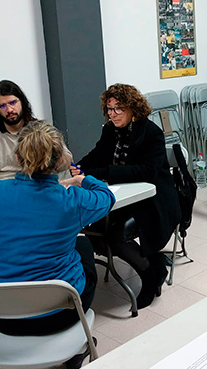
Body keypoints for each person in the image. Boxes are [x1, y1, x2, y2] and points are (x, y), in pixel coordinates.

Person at [0, 122, 113, 337]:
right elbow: (107, 198)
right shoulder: (72, 201)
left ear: (17, 157)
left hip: (2, 318)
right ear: (60, 161)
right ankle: (74, 342)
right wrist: (83, 180)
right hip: (63, 311)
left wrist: (0, 237)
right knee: (82, 244)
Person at [73, 84, 181, 309]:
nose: (113, 114)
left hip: (153, 197)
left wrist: (100, 173)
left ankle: (151, 274)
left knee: (116, 236)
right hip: (124, 193)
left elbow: (147, 171)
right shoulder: (110, 130)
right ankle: (153, 262)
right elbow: (98, 153)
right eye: (109, 109)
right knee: (93, 232)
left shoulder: (151, 132)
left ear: (133, 108)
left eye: (118, 109)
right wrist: (81, 166)